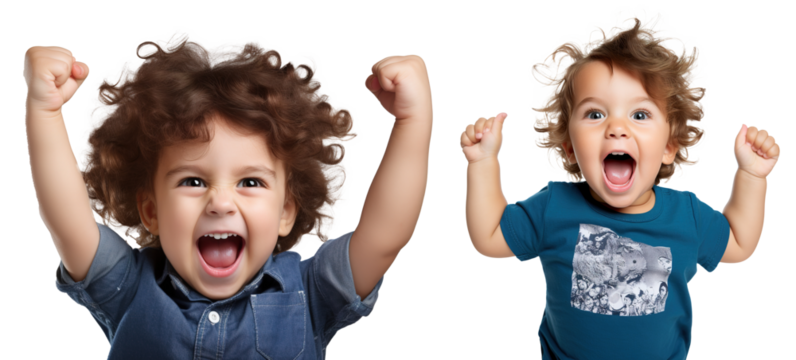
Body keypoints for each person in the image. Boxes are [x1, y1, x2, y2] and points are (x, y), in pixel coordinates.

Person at [23, 28, 434, 359]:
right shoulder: (129, 286)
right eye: (192, 181)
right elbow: (66, 218)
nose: (220, 202)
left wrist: (414, 121)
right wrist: (44, 111)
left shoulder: (308, 292)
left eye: (250, 182)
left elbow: (385, 236)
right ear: (150, 210)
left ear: (286, 210)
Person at [457, 5, 781, 360]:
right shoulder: (554, 206)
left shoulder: (686, 216)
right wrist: (482, 161)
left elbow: (739, 243)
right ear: (569, 146)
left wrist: (751, 175)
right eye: (595, 114)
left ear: (669, 146)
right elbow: (488, 237)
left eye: (639, 114)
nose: (616, 127)